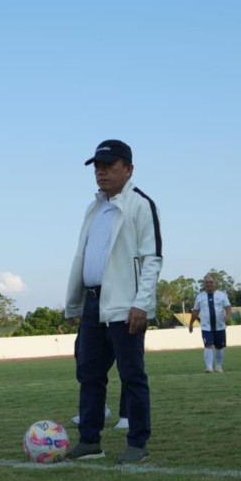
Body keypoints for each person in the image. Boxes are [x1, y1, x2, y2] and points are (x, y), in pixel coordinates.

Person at [64, 139, 163, 464]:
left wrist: (141, 303)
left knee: (132, 375)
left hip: (125, 305)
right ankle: (90, 441)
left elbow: (152, 258)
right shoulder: (94, 208)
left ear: (129, 169)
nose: (101, 172)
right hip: (94, 303)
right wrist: (76, 303)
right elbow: (84, 256)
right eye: (97, 166)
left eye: (109, 166)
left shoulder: (140, 205)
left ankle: (138, 443)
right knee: (89, 374)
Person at [188, 274, 232, 372]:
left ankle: (218, 366)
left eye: (211, 282)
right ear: (204, 284)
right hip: (206, 327)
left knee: (219, 347)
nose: (209, 284)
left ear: (214, 283)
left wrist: (228, 315)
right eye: (207, 282)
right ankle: (209, 367)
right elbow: (195, 311)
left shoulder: (222, 295)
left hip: (220, 326)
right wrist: (191, 323)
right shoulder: (200, 297)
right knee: (208, 345)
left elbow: (228, 307)